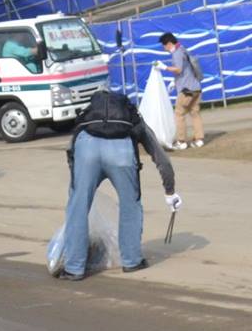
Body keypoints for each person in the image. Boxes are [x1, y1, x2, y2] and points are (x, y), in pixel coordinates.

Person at [53, 87, 178, 281]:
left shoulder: (88, 117)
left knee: (78, 208)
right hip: (122, 153)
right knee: (130, 206)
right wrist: (170, 191)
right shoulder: (132, 117)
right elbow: (160, 157)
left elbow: (72, 149)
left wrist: (75, 186)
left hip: (87, 150)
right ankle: (132, 261)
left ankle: (73, 268)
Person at [160, 31, 206, 150]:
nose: (164, 48)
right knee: (195, 113)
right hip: (196, 87)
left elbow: (179, 70)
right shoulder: (183, 49)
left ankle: (181, 141)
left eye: (164, 45)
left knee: (179, 114)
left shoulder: (176, 53)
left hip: (186, 90)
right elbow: (186, 70)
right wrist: (174, 81)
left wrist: (164, 67)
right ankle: (199, 139)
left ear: (169, 43)